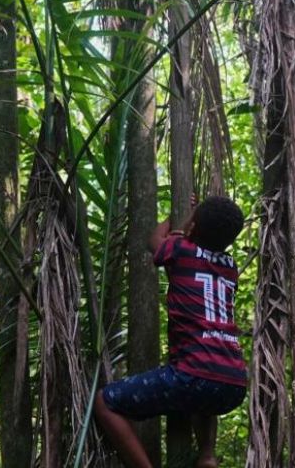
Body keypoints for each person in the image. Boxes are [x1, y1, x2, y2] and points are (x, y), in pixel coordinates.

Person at [94, 195, 248, 468]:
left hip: (192, 377)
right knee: (204, 398)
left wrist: (180, 216)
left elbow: (154, 240)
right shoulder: (230, 267)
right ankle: (207, 455)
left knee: (104, 403)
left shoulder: (180, 250)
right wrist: (193, 222)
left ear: (193, 227)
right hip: (233, 382)